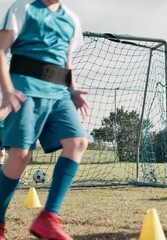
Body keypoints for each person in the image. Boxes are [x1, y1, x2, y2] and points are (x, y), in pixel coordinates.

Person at [0, 0, 88, 239]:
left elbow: (66, 62)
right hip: (25, 91)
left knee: (78, 142)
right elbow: (1, 49)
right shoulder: (23, 8)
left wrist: (74, 90)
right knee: (20, 156)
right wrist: (7, 91)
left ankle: (48, 218)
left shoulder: (72, 19)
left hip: (59, 95)